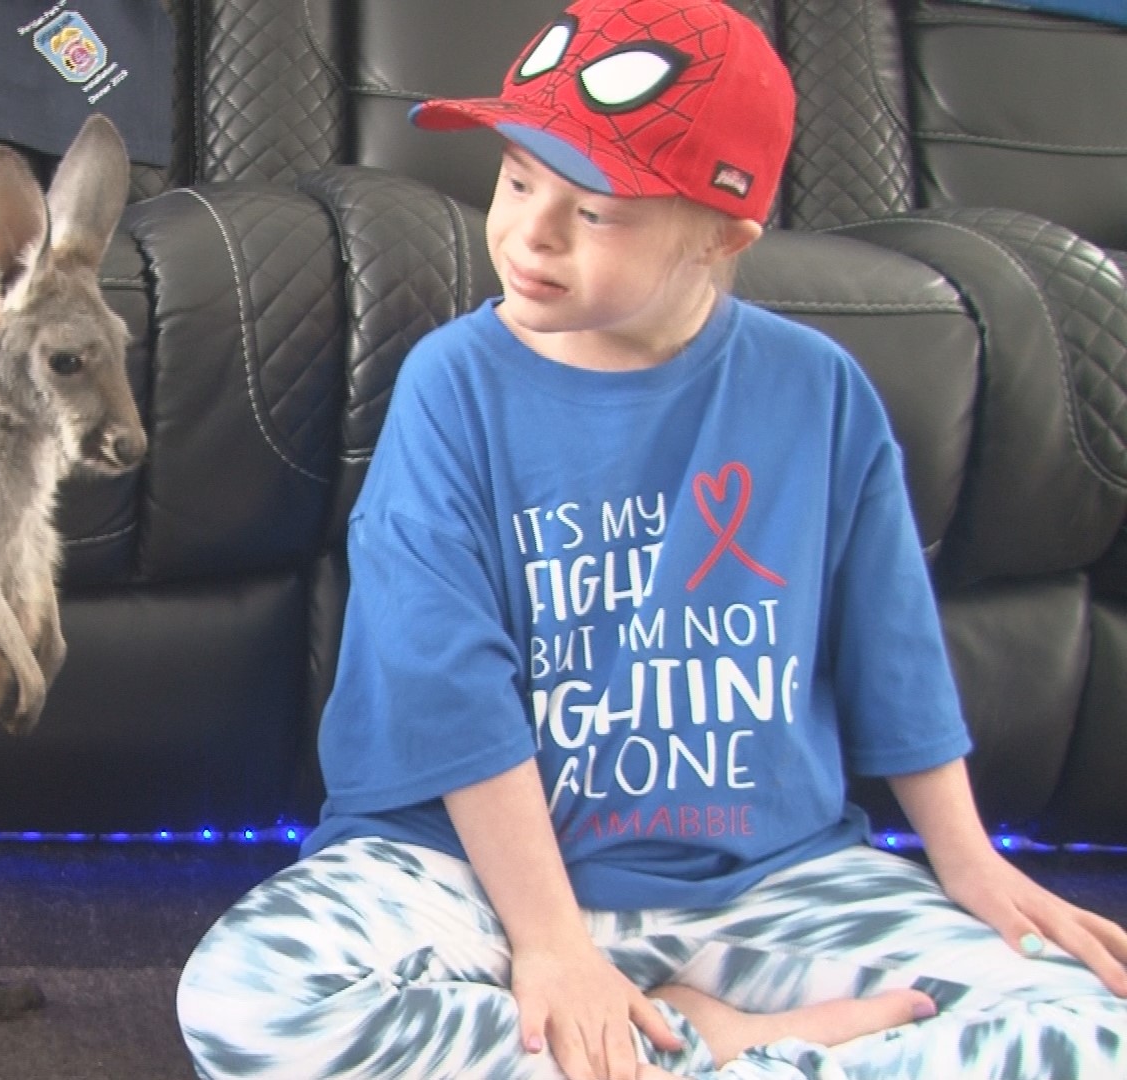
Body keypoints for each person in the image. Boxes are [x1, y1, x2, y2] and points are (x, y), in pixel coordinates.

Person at [174, 0, 1127, 1077]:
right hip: (467, 877)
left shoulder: (820, 393)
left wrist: (969, 862)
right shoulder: (452, 384)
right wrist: (551, 944)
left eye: (594, 211)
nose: (529, 232)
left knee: (1090, 1034)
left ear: (723, 235)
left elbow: (892, 651)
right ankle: (730, 1048)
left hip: (770, 882)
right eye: (518, 179)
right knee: (252, 1002)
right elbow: (447, 685)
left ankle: (665, 1050)